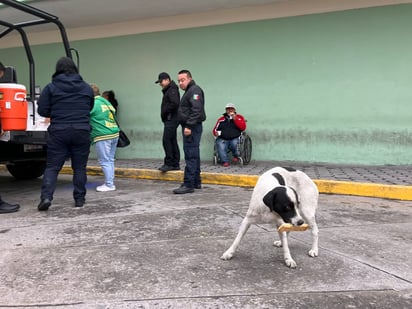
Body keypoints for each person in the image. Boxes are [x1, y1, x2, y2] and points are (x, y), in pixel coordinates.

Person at [37, 57, 94, 211]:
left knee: (52, 167)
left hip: (59, 131)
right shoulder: (86, 88)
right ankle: (79, 199)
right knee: (80, 167)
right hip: (81, 130)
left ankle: (46, 197)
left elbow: (42, 110)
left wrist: (56, 113)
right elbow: (89, 107)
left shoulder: (51, 87)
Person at [173, 69, 206, 194]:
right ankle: (196, 181)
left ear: (189, 79)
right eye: (179, 81)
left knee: (190, 155)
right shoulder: (190, 91)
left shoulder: (194, 90)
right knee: (194, 154)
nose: (180, 83)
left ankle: (188, 184)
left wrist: (189, 126)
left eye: (183, 80)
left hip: (192, 127)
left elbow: (196, 110)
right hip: (191, 126)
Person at [90, 83, 119, 192]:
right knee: (110, 160)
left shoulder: (92, 103)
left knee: (104, 161)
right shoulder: (105, 101)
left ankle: (109, 185)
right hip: (114, 133)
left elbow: (84, 114)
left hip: (102, 135)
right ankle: (110, 183)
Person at [155, 72, 181, 172]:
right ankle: (175, 163)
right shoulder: (170, 89)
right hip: (171, 119)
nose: (160, 84)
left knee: (166, 141)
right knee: (172, 141)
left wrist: (165, 111)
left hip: (172, 119)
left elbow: (175, 103)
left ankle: (169, 163)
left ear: (167, 80)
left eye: (161, 81)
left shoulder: (172, 90)